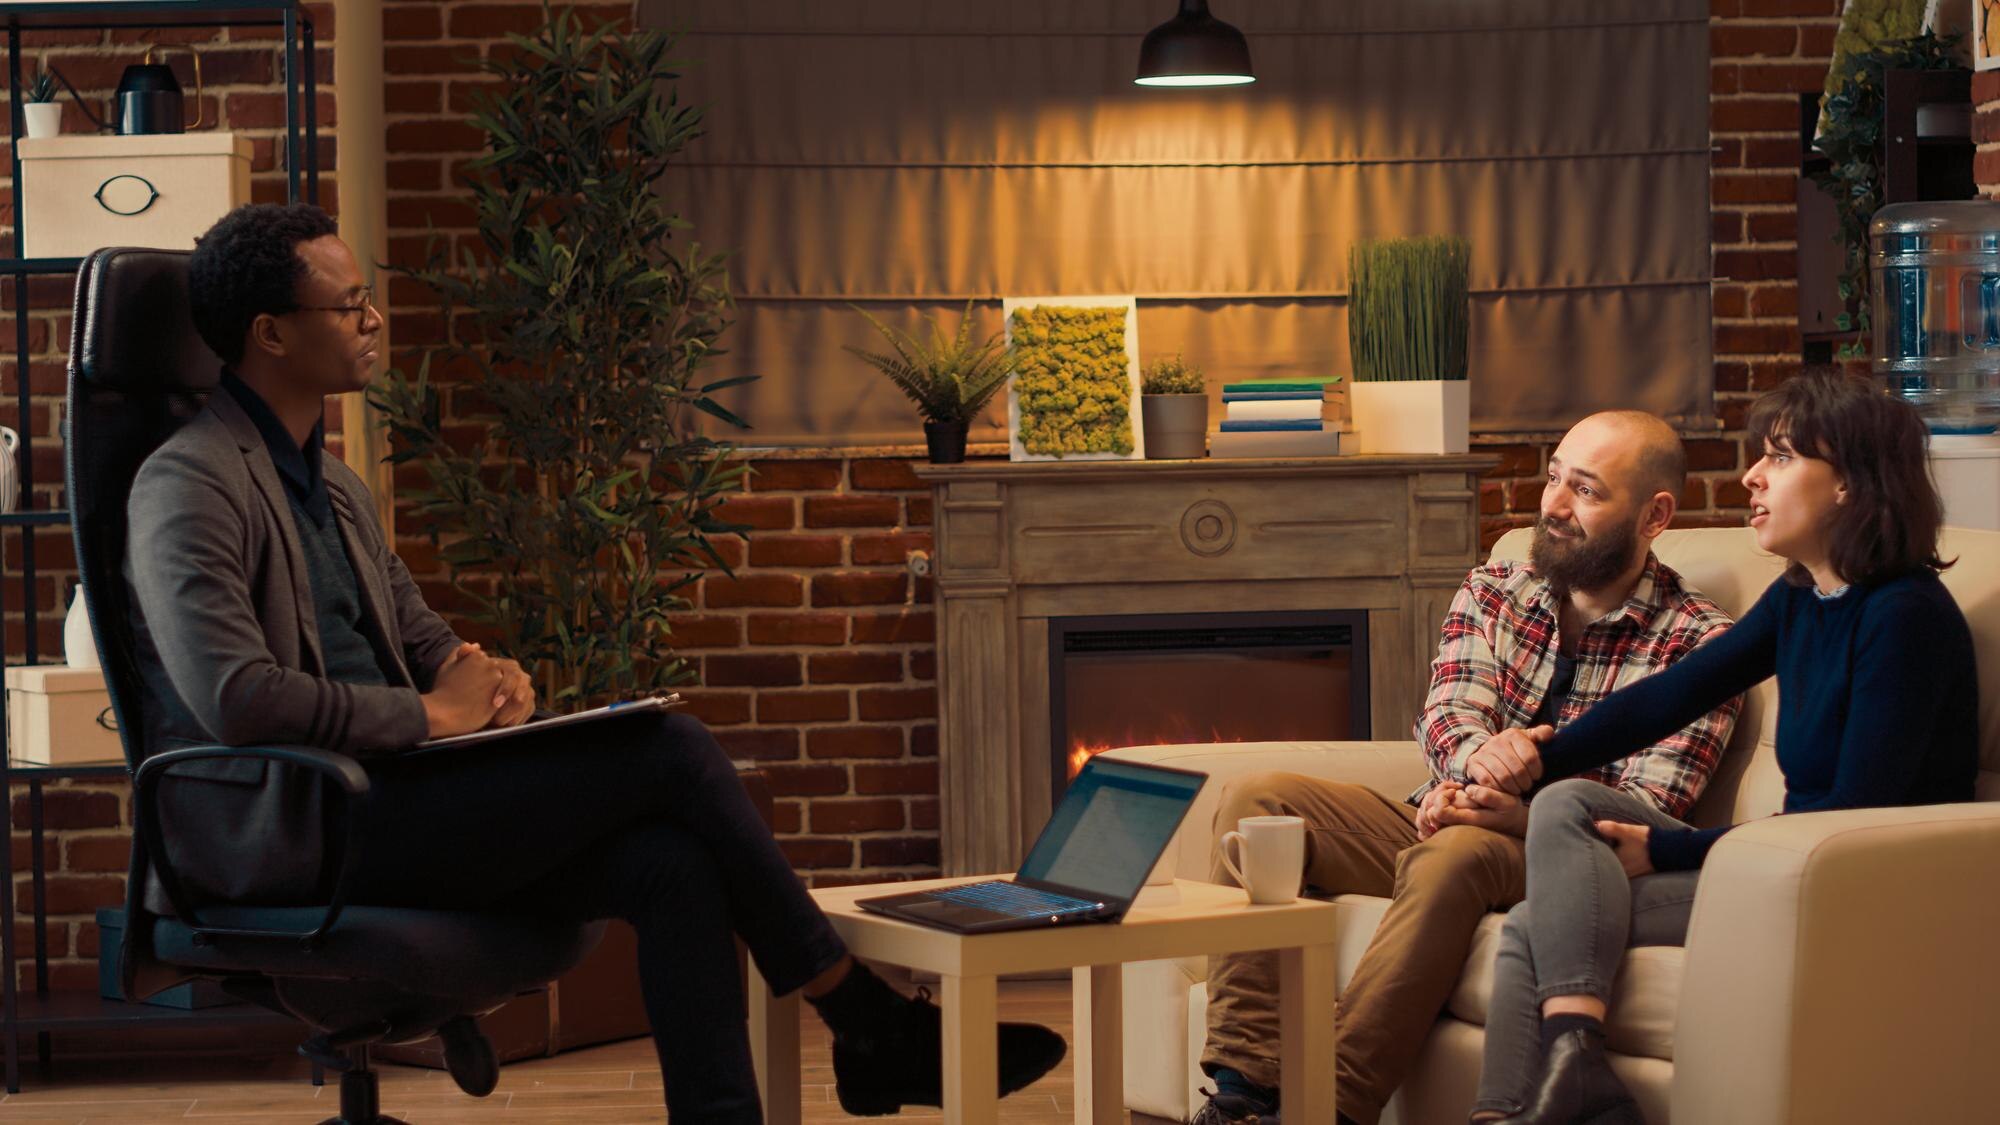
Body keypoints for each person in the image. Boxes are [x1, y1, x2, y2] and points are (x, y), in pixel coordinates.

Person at [122, 202, 1066, 1121]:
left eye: (369, 298)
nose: (373, 320)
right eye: (348, 304)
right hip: (307, 825)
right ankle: (864, 1019)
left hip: (395, 794)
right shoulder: (187, 482)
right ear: (271, 334)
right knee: (671, 749)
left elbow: (420, 634)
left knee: (671, 863)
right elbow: (236, 696)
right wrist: (435, 715)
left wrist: (487, 676)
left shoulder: (331, 482)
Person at [1192, 412, 1743, 1125]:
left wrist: (1515, 814)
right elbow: (1449, 713)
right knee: (1261, 800)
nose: (1553, 505)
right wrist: (1473, 766)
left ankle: (1329, 1107)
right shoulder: (1495, 589)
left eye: (1585, 490)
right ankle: (1243, 1090)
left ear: (1654, 515)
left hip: (1560, 858)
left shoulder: (1702, 643)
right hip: (1445, 808)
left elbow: (1646, 806)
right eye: (1554, 478)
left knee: (1454, 854)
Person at [1470, 372, 1979, 1125]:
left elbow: (1852, 816)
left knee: (1537, 922)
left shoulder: (1905, 618)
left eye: (1780, 457)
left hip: (1854, 885)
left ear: (1848, 483)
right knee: (1560, 821)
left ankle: (1564, 1093)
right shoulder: (1802, 595)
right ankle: (1565, 1083)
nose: (1751, 476)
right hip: (1781, 865)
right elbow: (1666, 698)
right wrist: (1533, 764)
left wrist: (1667, 849)